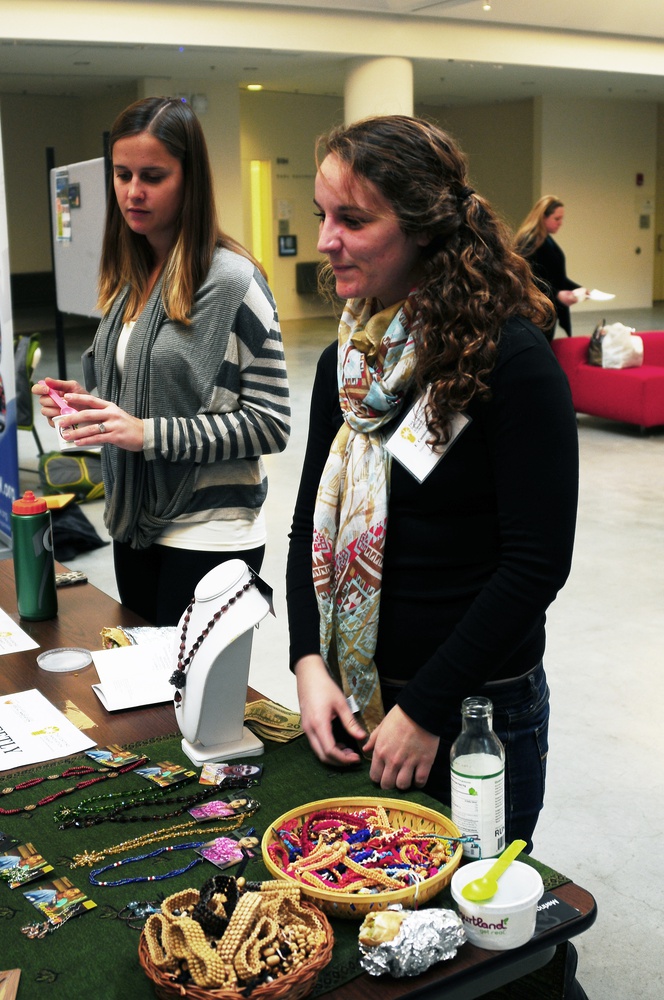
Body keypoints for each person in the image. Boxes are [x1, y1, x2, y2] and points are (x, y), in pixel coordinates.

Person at [286, 116, 579, 856]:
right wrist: (307, 661)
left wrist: (425, 708)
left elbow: (535, 564)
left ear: (423, 227)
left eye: (353, 220)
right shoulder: (346, 365)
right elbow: (307, 528)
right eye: (323, 216)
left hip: (476, 709)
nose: (326, 241)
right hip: (360, 699)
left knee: (481, 911)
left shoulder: (511, 360)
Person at [34, 97, 290, 626]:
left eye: (152, 176)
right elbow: (142, 399)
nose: (133, 191)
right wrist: (87, 407)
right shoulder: (131, 279)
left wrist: (145, 434)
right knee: (141, 677)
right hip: (136, 521)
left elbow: (271, 423)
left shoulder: (234, 282)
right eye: (122, 174)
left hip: (211, 533)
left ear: (189, 180)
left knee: (186, 683)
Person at [515, 195, 587, 339]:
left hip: (546, 307)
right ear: (543, 217)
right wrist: (557, 294)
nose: (560, 223)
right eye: (556, 219)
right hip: (535, 310)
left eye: (562, 219)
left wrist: (577, 289)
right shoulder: (529, 242)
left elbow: (556, 275)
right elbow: (529, 278)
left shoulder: (545, 239)